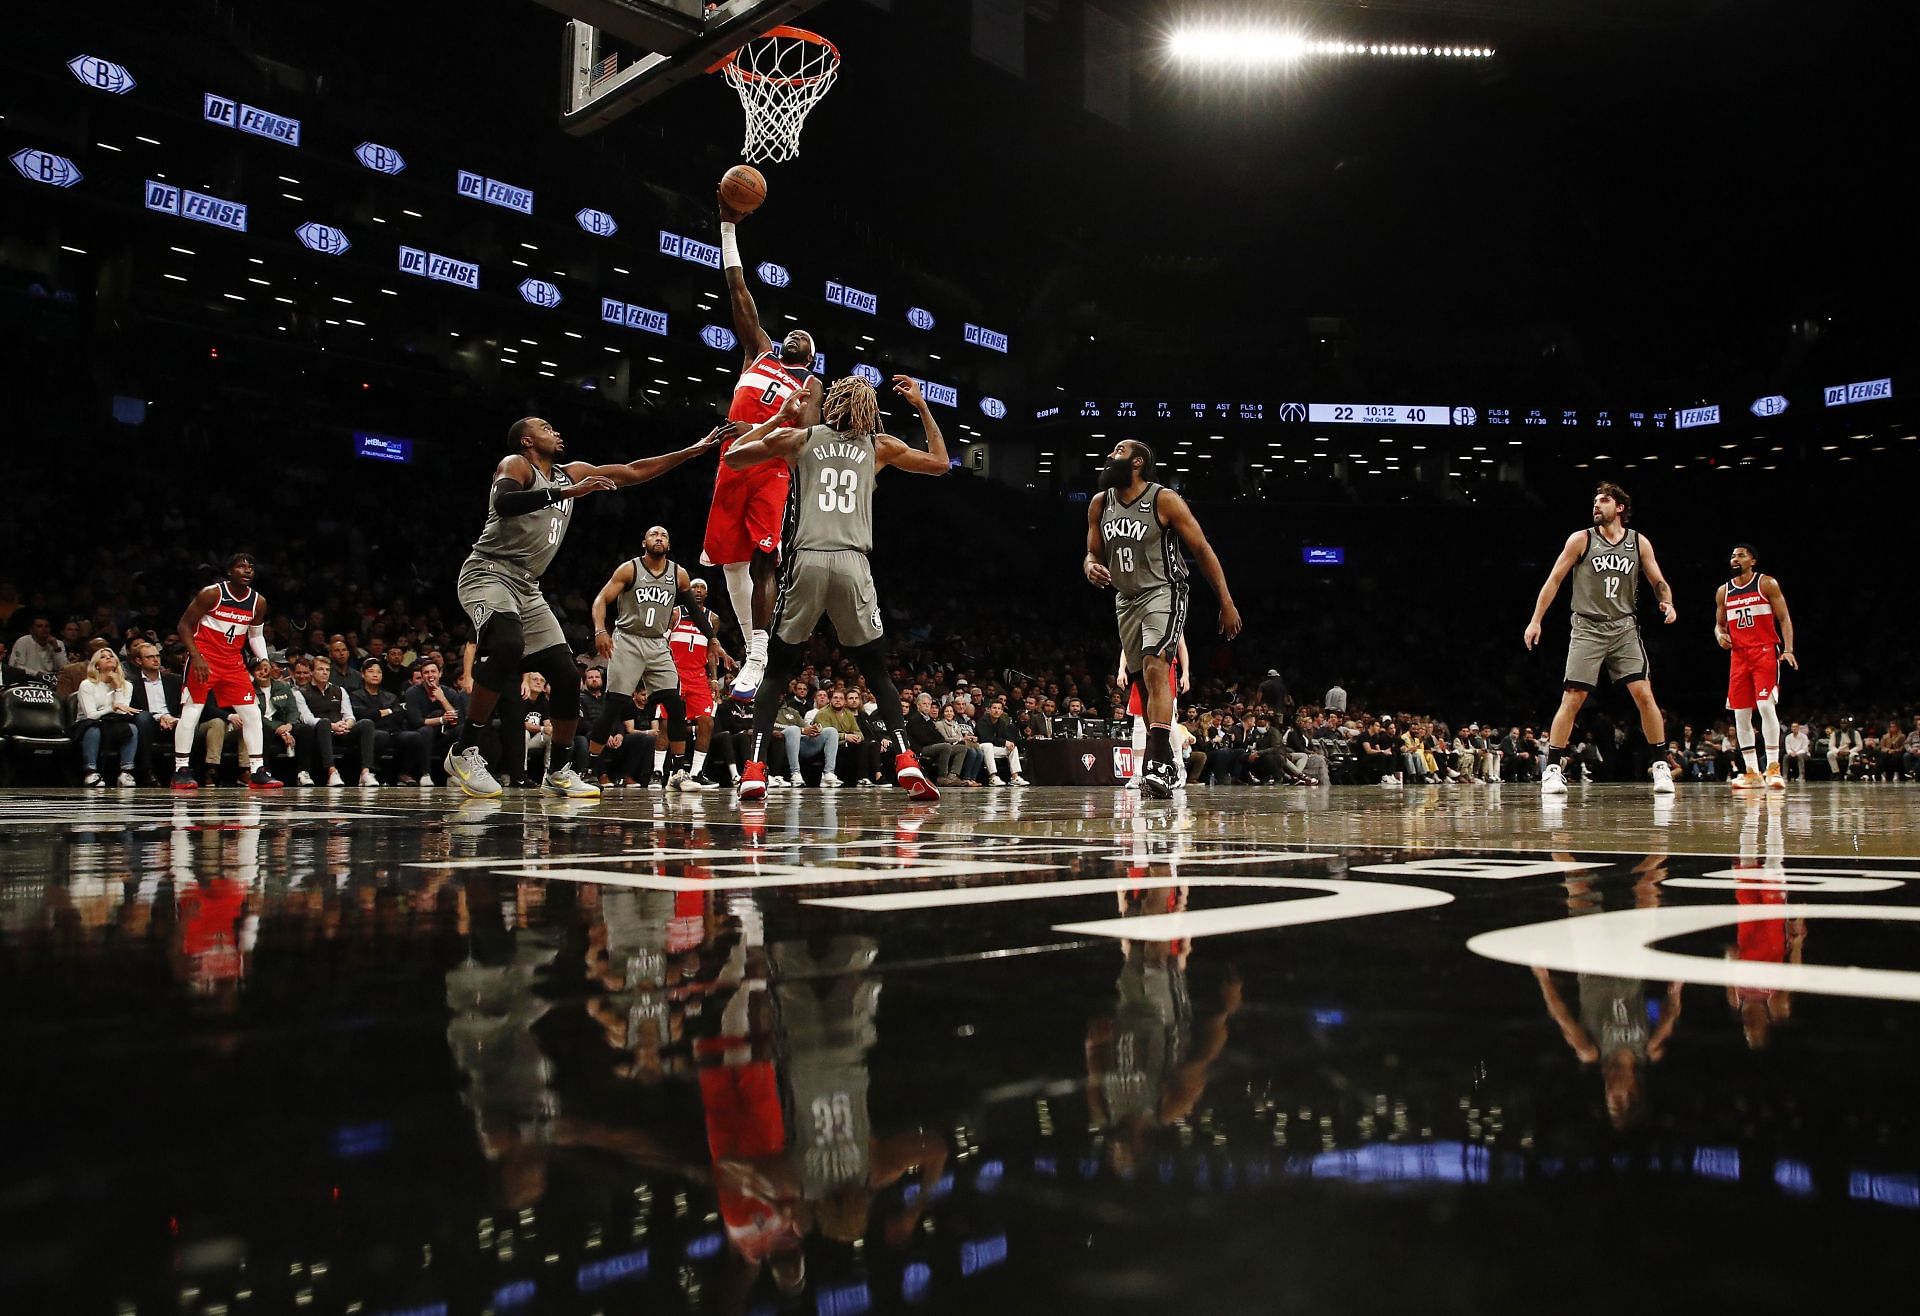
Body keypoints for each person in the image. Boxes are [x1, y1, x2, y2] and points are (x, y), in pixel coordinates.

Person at [448, 415, 725, 799]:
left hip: (528, 587)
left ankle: (560, 770)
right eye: (546, 428)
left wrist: (692, 451)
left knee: (565, 673)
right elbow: (504, 502)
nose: (556, 431)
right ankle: (464, 751)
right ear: (527, 440)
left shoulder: (571, 473)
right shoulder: (517, 465)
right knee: (507, 644)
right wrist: (568, 494)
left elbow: (633, 471)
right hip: (489, 573)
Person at [721, 376, 948, 804]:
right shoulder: (877, 445)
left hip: (807, 559)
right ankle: (906, 760)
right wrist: (920, 405)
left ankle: (754, 769)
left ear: (831, 407)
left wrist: (779, 417)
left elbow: (733, 457)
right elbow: (940, 462)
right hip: (853, 564)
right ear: (869, 411)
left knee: (777, 670)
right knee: (877, 672)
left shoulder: (800, 438)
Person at [709, 188, 825, 705]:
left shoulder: (812, 384)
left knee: (761, 559)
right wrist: (729, 228)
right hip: (730, 462)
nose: (796, 333)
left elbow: (808, 431)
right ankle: (754, 645)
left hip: (771, 466)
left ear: (811, 355)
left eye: (806, 336)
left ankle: (759, 651)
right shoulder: (758, 354)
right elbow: (737, 290)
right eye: (793, 330)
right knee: (731, 564)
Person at [1085, 439, 1241, 798]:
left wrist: (1226, 601)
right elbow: (1091, 552)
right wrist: (1091, 567)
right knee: (1141, 683)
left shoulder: (1163, 499)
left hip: (1163, 590)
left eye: (1118, 451)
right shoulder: (1099, 503)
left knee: (1157, 667)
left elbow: (1201, 549)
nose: (1110, 455)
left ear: (1138, 462)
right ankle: (1165, 759)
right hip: (1126, 599)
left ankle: (1156, 764)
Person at [1522, 482, 1676, 796]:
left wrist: (1667, 601)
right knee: (1573, 698)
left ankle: (1661, 766)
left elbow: (1657, 579)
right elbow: (1554, 580)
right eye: (1594, 500)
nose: (1596, 505)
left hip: (1623, 628)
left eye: (1603, 500)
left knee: (1644, 694)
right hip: (1587, 628)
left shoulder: (1638, 542)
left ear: (1620, 507)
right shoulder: (1581, 539)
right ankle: (1553, 768)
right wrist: (1536, 619)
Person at [589, 526, 711, 792]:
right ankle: (590, 768)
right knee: (614, 705)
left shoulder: (678, 574)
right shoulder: (629, 569)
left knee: (674, 706)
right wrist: (600, 630)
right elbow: (601, 600)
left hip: (657, 642)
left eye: (664, 535)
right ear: (643, 541)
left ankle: (678, 772)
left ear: (669, 543)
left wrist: (712, 638)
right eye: (654, 534)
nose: (659, 538)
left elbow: (695, 610)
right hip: (629, 638)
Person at [172, 554, 280, 791]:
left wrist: (263, 658)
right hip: (205, 659)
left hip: (233, 662)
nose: (247, 570)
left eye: (251, 567)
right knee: (192, 710)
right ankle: (181, 770)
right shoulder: (212, 594)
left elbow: (255, 635)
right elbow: (184, 625)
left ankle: (257, 771)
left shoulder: (258, 602)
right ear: (229, 571)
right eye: (241, 566)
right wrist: (196, 656)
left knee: (252, 713)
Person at [1714, 543, 1798, 792]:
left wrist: (1789, 649)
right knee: (1740, 713)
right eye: (1732, 555)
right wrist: (1719, 636)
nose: (1734, 558)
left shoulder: (1766, 584)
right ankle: (1751, 771)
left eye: (1741, 555)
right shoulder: (1723, 592)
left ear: (1753, 561)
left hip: (1764, 650)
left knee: (1764, 705)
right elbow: (1719, 625)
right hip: (1739, 656)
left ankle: (1773, 767)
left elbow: (1784, 618)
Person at [1121, 635, 1187, 789]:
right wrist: (1121, 670)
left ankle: (1180, 766)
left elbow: (1182, 647)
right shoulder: (1136, 615)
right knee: (1138, 720)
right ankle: (1137, 773)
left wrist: (1186, 674)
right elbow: (1127, 644)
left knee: (1169, 720)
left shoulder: (1169, 613)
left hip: (1164, 666)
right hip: (1141, 667)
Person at [299, 656, 376, 786]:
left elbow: (350, 716)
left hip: (342, 730)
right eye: (320, 669)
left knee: (367, 723)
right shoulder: (301, 692)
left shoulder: (340, 690)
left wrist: (347, 725)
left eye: (327, 670)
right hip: (321, 733)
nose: (325, 672)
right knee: (323, 722)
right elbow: (307, 719)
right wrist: (332, 726)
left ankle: (365, 772)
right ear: (311, 672)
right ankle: (332, 772)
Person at [352, 656, 429, 785]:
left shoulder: (390, 696)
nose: (375, 675)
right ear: (363, 674)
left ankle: (404, 773)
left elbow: (398, 716)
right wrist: (384, 712)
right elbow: (360, 714)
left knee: (414, 736)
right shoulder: (355, 695)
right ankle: (370, 772)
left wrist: (376, 715)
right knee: (380, 735)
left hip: (392, 731)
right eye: (371, 671)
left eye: (379, 672)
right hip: (369, 734)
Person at [73, 647, 138, 786]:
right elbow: (90, 715)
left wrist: (118, 688)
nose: (109, 658)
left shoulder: (127, 685)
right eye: (103, 657)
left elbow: (122, 712)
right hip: (87, 724)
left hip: (113, 722)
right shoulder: (87, 685)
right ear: (96, 664)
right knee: (93, 729)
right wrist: (111, 708)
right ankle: (91, 772)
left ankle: (126, 773)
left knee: (132, 728)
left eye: (111, 656)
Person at [126, 638, 184, 784]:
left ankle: (184, 772)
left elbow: (184, 705)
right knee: (143, 718)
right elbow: (133, 709)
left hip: (173, 722)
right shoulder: (131, 683)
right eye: (150, 657)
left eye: (157, 656)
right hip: (149, 723)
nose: (155, 660)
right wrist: (159, 717)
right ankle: (147, 771)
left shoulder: (175, 680)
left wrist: (175, 719)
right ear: (139, 661)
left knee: (189, 722)